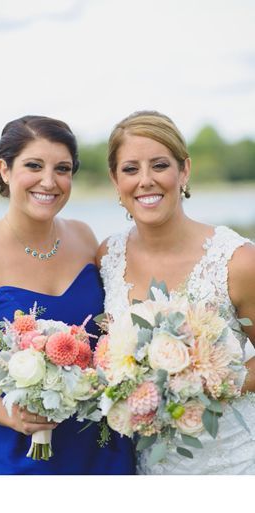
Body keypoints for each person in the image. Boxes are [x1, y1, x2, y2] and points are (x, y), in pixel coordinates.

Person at [0, 115, 135, 474]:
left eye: (62, 168)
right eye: (33, 165)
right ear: (4, 169)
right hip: (19, 451)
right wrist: (12, 415)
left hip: (101, 444)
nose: (49, 181)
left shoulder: (84, 237)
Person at [98, 110, 255, 474]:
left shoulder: (237, 260)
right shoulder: (108, 255)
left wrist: (207, 382)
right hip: (151, 465)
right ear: (114, 179)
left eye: (159, 165)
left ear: (184, 171)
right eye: (131, 169)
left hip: (232, 463)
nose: (146, 180)